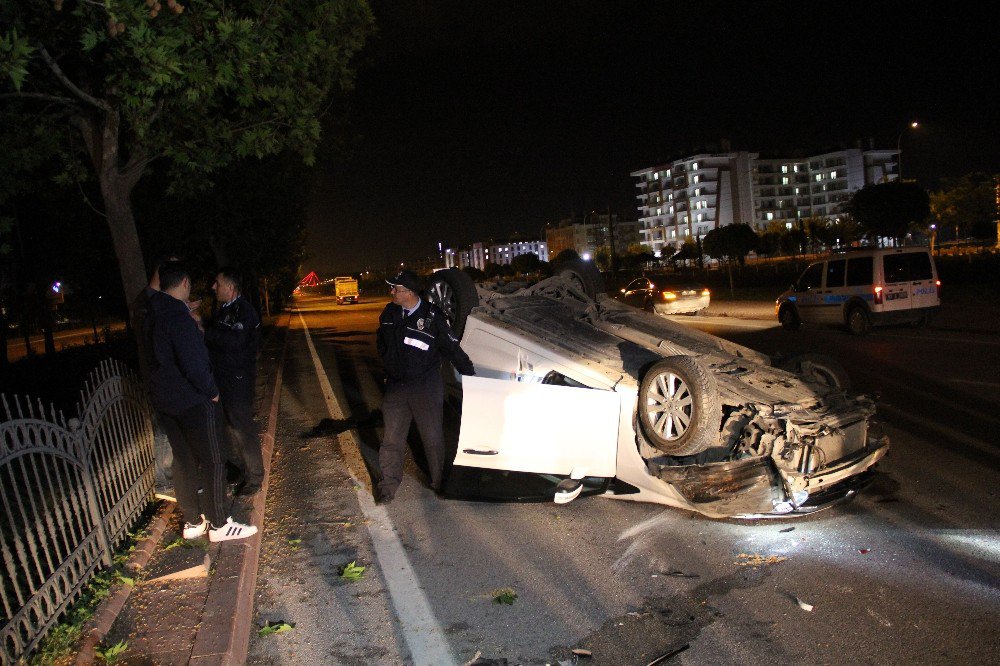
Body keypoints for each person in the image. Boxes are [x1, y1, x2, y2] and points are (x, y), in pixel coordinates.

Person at [144, 261, 257, 542]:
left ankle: (193, 522)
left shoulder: (151, 314)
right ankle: (219, 524)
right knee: (214, 460)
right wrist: (211, 390)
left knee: (182, 461)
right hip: (193, 400)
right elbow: (193, 363)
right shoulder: (178, 317)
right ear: (184, 283)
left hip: (166, 401)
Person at [375, 269, 475, 503]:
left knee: (432, 439)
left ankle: (439, 482)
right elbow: (382, 341)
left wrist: (470, 376)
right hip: (397, 387)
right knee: (391, 439)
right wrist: (388, 367)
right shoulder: (389, 312)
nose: (392, 292)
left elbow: (452, 349)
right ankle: (388, 485)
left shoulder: (433, 317)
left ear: (409, 293)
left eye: (396, 289)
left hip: (425, 388)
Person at [205, 267, 263, 497]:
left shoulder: (244, 312)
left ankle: (255, 476)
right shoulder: (225, 310)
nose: (213, 287)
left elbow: (235, 343)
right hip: (223, 378)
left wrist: (204, 332)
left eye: (217, 283)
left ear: (229, 287)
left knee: (243, 428)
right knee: (228, 427)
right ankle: (239, 469)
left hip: (237, 380)